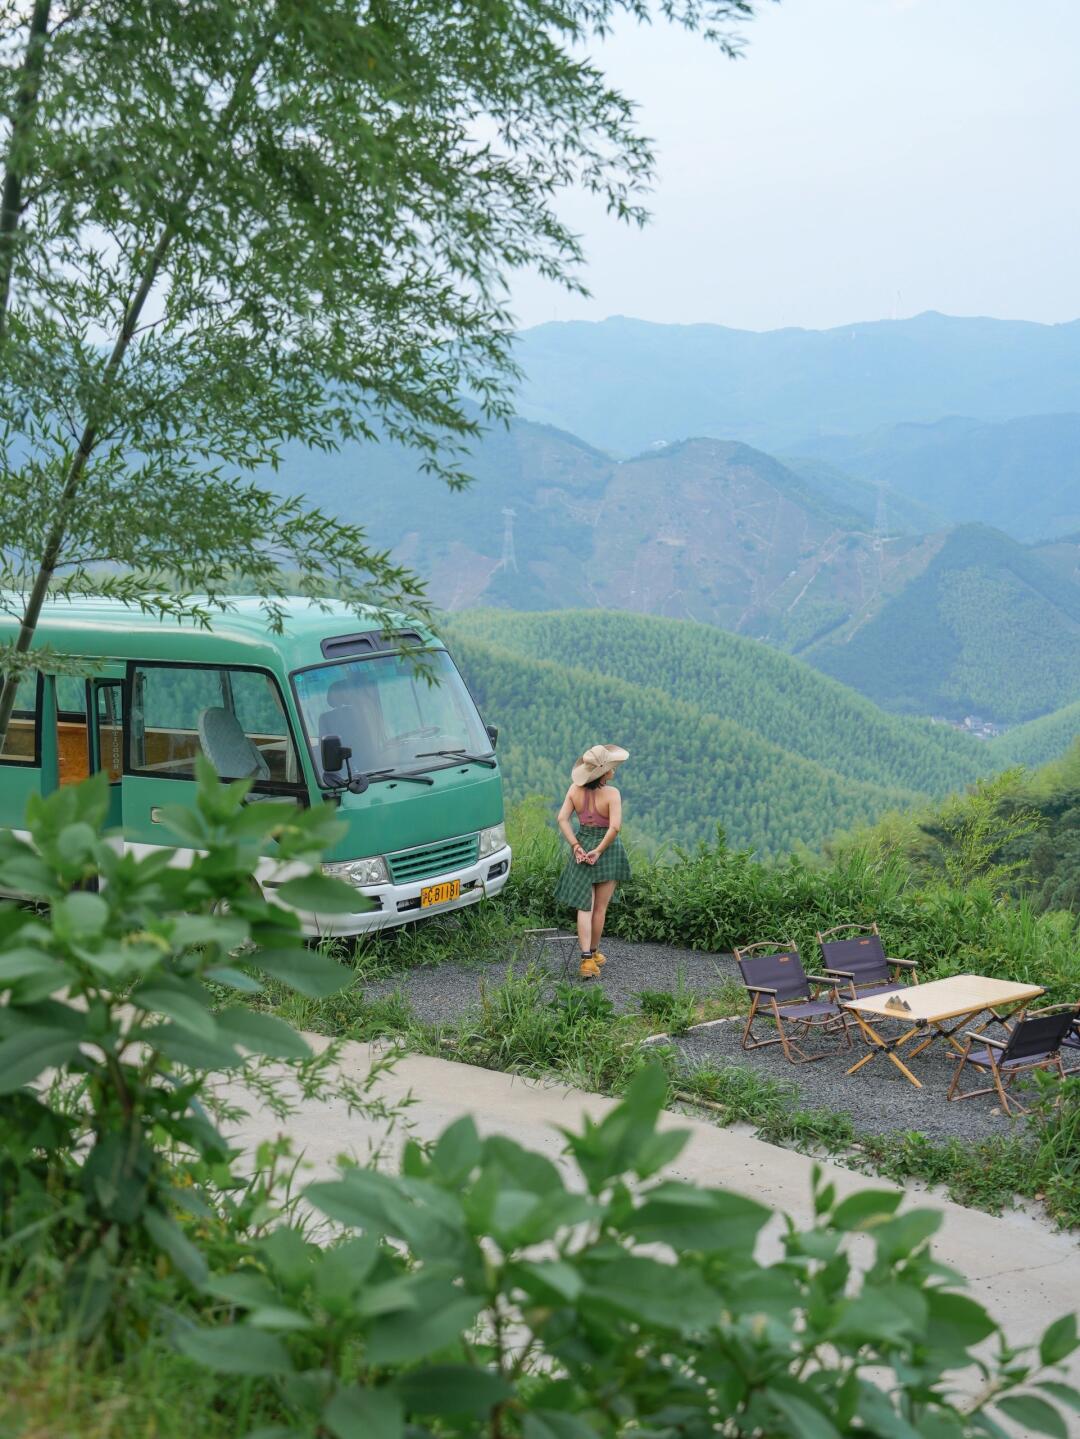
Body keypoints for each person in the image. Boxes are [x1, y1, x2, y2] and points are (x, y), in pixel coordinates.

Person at [555, 743, 632, 979]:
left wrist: (576, 846)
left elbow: (562, 819)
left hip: (583, 842)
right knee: (600, 907)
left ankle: (587, 960)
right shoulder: (612, 794)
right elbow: (615, 827)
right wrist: (598, 850)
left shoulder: (574, 790)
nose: (614, 771)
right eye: (611, 767)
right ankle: (593, 952)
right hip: (607, 850)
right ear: (603, 772)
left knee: (584, 907)